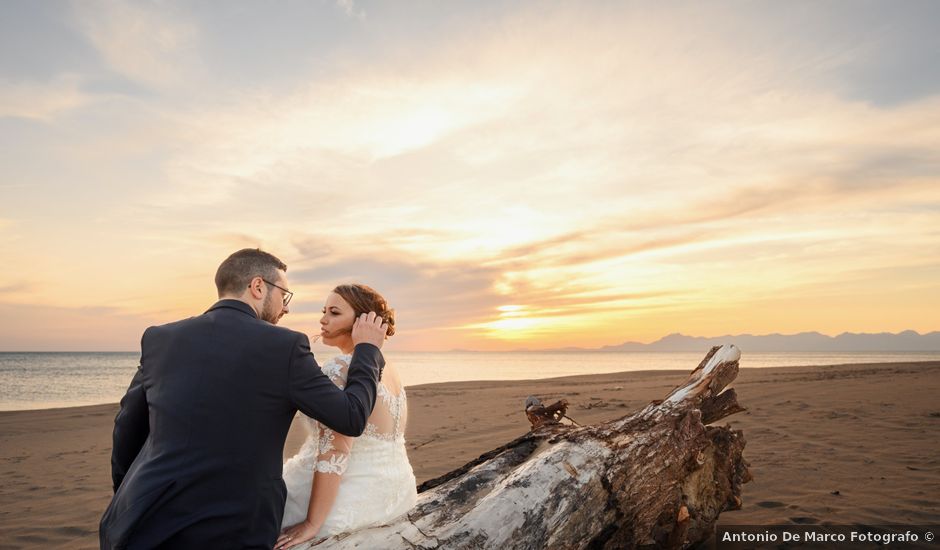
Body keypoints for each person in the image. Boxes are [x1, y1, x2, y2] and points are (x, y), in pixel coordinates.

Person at [99, 249, 389, 550]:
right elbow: (351, 417)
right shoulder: (285, 347)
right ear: (258, 286)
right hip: (234, 529)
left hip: (142, 524)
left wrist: (128, 495)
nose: (285, 308)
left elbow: (127, 427)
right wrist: (367, 350)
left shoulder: (160, 337)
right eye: (284, 295)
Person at [275, 284, 417, 549]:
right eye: (324, 311)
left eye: (334, 312)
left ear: (363, 321)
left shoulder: (339, 369)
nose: (323, 319)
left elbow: (335, 451)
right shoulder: (389, 369)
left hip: (342, 498)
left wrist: (311, 524)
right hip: (396, 493)